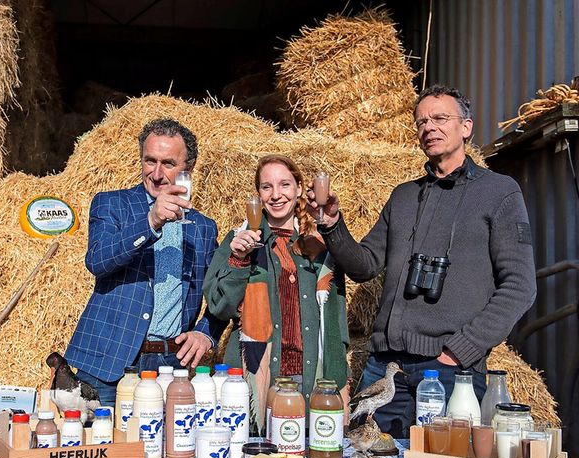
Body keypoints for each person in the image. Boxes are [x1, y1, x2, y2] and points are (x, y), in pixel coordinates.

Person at [310, 85, 537, 438]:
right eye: (421, 122)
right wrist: (332, 225)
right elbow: (364, 264)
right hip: (385, 369)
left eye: (440, 118)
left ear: (466, 127)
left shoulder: (499, 192)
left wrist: (461, 351)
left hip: (448, 370)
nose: (429, 126)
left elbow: (520, 286)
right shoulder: (403, 196)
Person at [65, 118, 225, 406]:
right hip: (108, 364)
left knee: (166, 449)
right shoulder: (112, 204)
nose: (157, 173)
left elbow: (222, 293)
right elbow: (98, 260)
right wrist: (151, 221)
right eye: (150, 161)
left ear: (189, 168)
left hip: (170, 367)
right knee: (103, 447)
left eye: (168, 163)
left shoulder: (203, 227)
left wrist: (206, 333)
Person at [204, 154, 350, 436]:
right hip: (260, 375)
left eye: (284, 184)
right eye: (266, 187)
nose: (276, 195)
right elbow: (219, 305)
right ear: (258, 194)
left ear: (298, 189)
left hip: (315, 377)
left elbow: (337, 312)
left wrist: (339, 363)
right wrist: (238, 260)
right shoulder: (240, 239)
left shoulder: (322, 242)